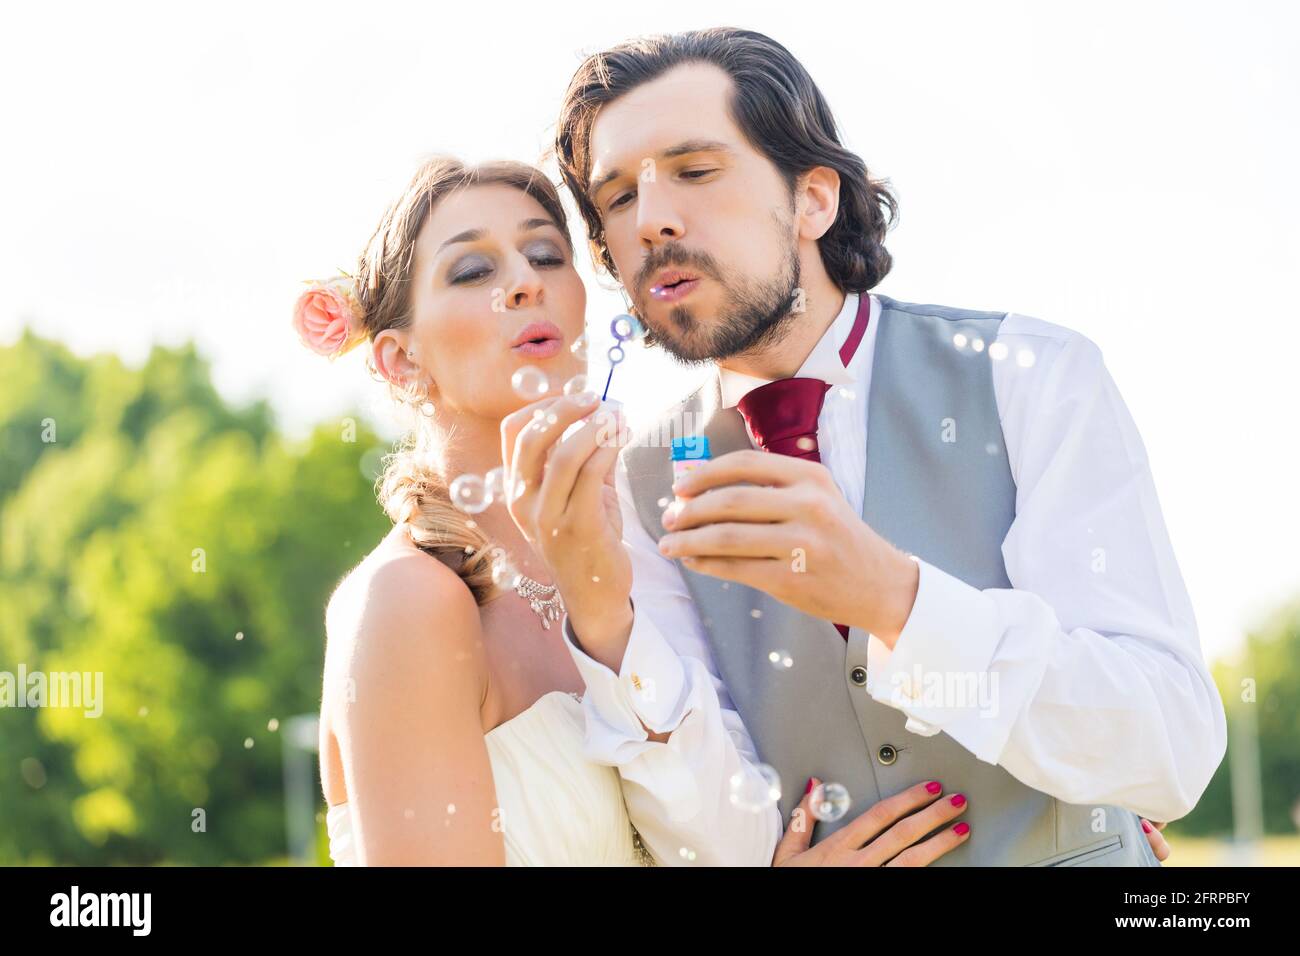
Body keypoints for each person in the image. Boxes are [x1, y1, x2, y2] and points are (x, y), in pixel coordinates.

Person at [526, 26, 1217, 864]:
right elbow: (705, 827)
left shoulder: (1031, 376)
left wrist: (898, 599)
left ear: (814, 199)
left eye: (696, 171)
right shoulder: (635, 484)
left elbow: (1171, 748)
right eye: (618, 200)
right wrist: (602, 617)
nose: (651, 220)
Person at [304, 156, 982, 865]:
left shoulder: (639, 559)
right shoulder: (408, 602)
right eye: (473, 272)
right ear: (399, 360)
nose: (527, 282)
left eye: (545, 254)